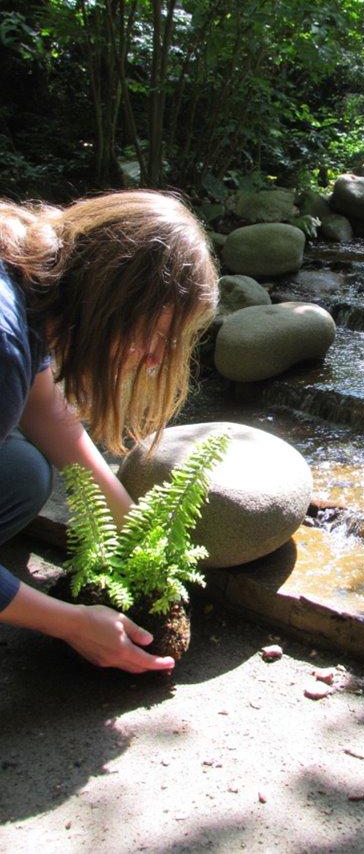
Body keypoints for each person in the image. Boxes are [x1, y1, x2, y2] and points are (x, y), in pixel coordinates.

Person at [0, 189, 218, 673]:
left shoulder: (29, 281)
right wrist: (70, 622)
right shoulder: (4, 343)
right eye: (157, 334)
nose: (157, 359)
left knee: (23, 473)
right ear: (113, 299)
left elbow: (43, 405)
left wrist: (134, 527)